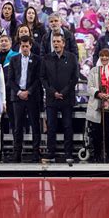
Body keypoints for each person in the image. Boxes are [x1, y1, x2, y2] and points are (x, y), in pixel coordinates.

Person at [40, 33, 78, 163]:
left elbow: (75, 78)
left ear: (63, 43)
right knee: (51, 126)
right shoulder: (46, 58)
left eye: (58, 41)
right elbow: (43, 78)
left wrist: (64, 92)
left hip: (67, 98)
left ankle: (68, 153)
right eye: (54, 41)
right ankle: (51, 153)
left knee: (67, 126)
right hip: (51, 98)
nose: (55, 44)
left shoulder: (72, 57)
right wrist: (52, 92)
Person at [86, 49, 109, 163]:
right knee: (97, 132)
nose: (104, 58)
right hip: (97, 105)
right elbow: (90, 86)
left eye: (106, 56)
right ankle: (97, 154)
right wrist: (98, 93)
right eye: (102, 56)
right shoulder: (94, 70)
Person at [8, 36, 41, 163]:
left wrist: (29, 91)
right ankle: (17, 153)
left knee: (35, 125)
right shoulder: (14, 59)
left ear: (31, 45)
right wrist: (18, 92)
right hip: (17, 97)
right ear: (20, 46)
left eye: (27, 46)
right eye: (23, 46)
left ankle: (35, 153)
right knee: (17, 126)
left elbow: (39, 79)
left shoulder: (37, 60)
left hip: (32, 96)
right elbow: (10, 79)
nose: (25, 48)